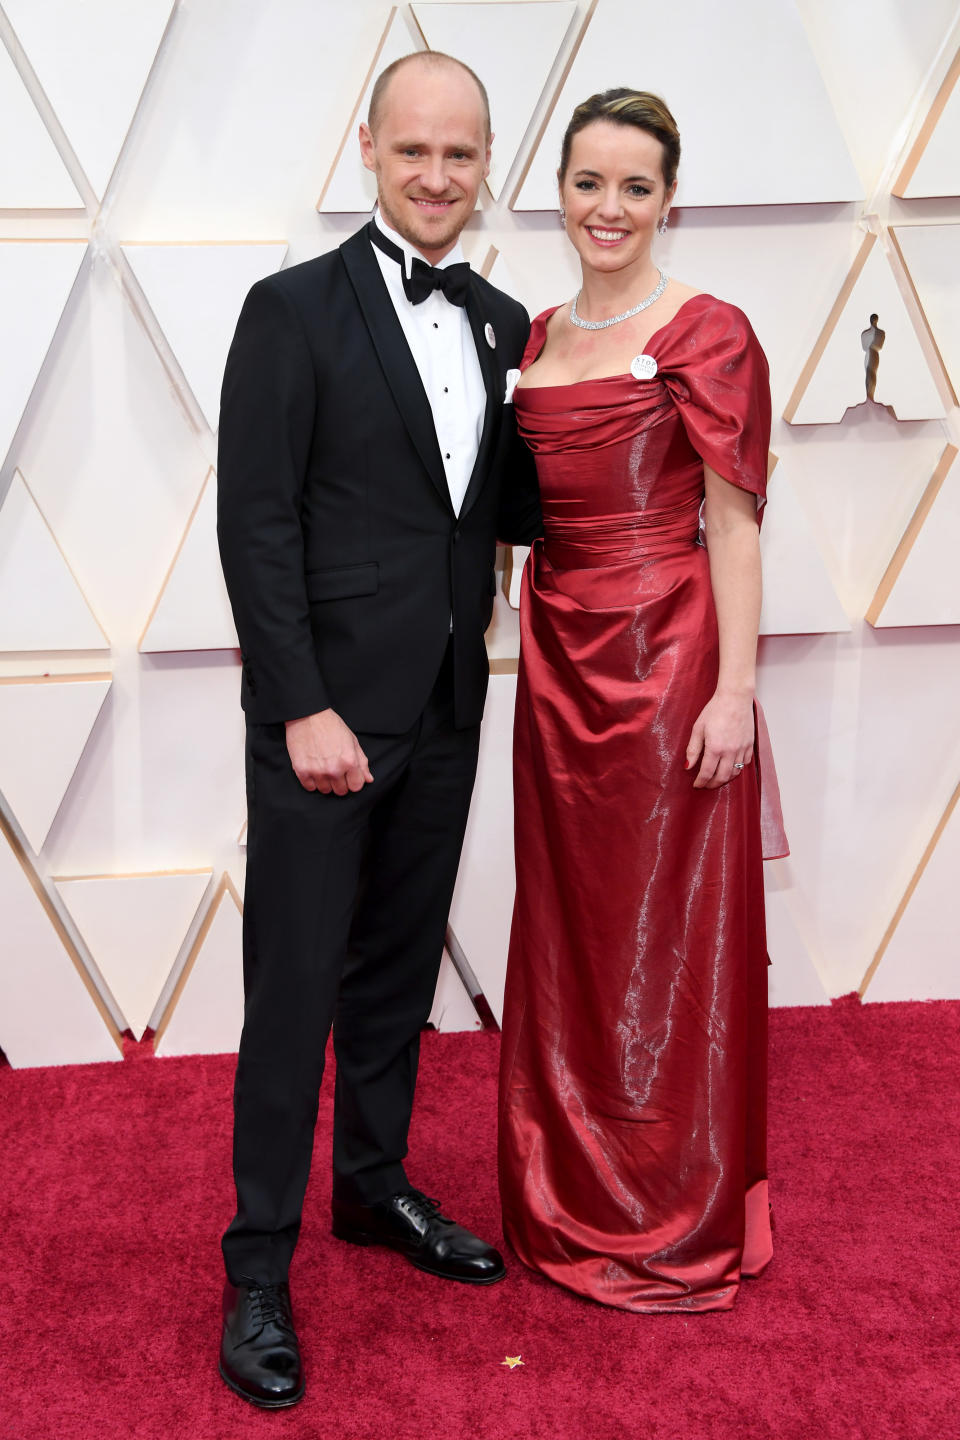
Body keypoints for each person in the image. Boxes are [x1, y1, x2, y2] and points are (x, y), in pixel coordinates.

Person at [216, 51, 541, 1407]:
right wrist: (301, 704)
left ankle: (371, 1191)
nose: (436, 176)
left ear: (485, 165)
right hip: (326, 720)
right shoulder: (289, 312)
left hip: (450, 705)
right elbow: (258, 520)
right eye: (414, 151)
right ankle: (254, 1271)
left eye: (460, 155)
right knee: (293, 994)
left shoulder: (501, 319)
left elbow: (501, 504)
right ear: (368, 148)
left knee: (396, 979)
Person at [498, 88, 782, 1313]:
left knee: (672, 932)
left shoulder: (712, 332)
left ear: (672, 199)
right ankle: (568, 1188)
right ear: (557, 191)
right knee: (571, 928)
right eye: (588, 183)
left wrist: (737, 693)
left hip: (671, 662)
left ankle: (674, 1205)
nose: (608, 208)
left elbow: (736, 526)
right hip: (558, 665)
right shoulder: (537, 336)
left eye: (635, 187)